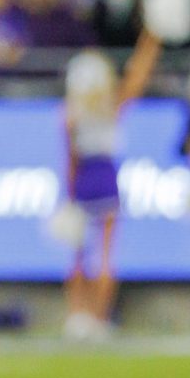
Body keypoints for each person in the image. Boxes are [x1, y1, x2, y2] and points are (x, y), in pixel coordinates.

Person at [59, 29, 161, 340]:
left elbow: (70, 154)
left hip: (82, 175)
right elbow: (138, 75)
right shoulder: (112, 102)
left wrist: (69, 190)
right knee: (104, 253)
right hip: (104, 173)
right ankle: (99, 318)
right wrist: (151, 37)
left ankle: (77, 316)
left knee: (77, 253)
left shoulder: (70, 111)